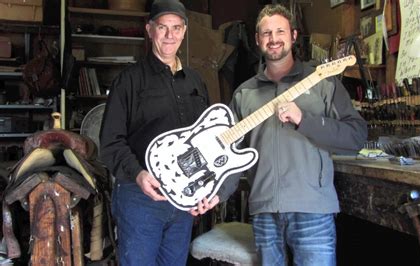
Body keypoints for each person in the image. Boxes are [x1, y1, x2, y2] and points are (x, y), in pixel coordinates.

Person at [228, 4, 368, 266]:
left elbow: (356, 137)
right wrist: (215, 196)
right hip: (264, 212)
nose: (273, 39)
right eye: (266, 33)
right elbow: (231, 158)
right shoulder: (243, 95)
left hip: (313, 210)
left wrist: (304, 119)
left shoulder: (323, 83)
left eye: (280, 31)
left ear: (293, 35)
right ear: (258, 39)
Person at [99, 0, 230, 265]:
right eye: (163, 27)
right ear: (150, 30)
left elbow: (207, 143)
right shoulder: (129, 80)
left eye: (176, 28)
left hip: (183, 203)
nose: (170, 35)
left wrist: (206, 190)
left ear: (184, 31)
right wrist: (138, 174)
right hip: (140, 200)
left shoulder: (195, 81)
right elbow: (110, 142)